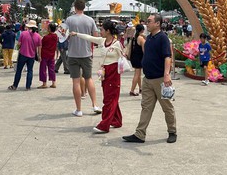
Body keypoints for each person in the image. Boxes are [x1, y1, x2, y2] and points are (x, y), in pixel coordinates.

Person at [123, 14, 177, 144]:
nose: (147, 24)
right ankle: (140, 134)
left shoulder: (162, 38)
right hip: (147, 79)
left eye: (149, 21)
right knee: (146, 107)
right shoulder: (149, 38)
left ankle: (172, 131)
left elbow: (167, 57)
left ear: (157, 23)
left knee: (167, 107)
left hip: (160, 79)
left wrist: (166, 74)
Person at [70, 19, 123, 133]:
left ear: (108, 31)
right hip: (105, 73)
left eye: (102, 29)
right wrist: (77, 34)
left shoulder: (117, 43)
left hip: (114, 72)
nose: (100, 31)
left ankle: (104, 124)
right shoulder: (102, 41)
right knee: (111, 98)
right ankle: (117, 120)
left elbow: (123, 57)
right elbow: (89, 38)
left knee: (109, 99)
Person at [65, 0, 102, 116]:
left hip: (72, 54)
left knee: (75, 82)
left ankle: (79, 109)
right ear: (84, 7)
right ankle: (95, 104)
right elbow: (95, 36)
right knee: (89, 78)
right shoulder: (90, 20)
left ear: (75, 7)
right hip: (86, 53)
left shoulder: (69, 19)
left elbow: (63, 35)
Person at [9, 20, 41, 90]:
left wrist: (15, 52)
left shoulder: (23, 33)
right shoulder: (38, 36)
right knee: (30, 71)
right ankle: (28, 86)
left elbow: (19, 44)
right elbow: (39, 47)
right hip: (32, 56)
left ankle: (15, 85)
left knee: (19, 71)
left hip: (22, 54)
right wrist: (39, 56)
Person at [38, 23, 58, 89]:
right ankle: (53, 82)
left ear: (49, 29)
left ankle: (44, 83)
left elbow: (41, 44)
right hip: (52, 54)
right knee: (52, 69)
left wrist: (39, 55)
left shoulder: (46, 37)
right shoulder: (56, 37)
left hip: (44, 54)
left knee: (43, 69)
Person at [129, 24, 146, 96]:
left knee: (138, 74)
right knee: (137, 74)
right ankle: (132, 90)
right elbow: (144, 50)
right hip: (139, 58)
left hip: (133, 57)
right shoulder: (141, 39)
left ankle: (140, 88)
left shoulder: (134, 38)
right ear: (142, 30)